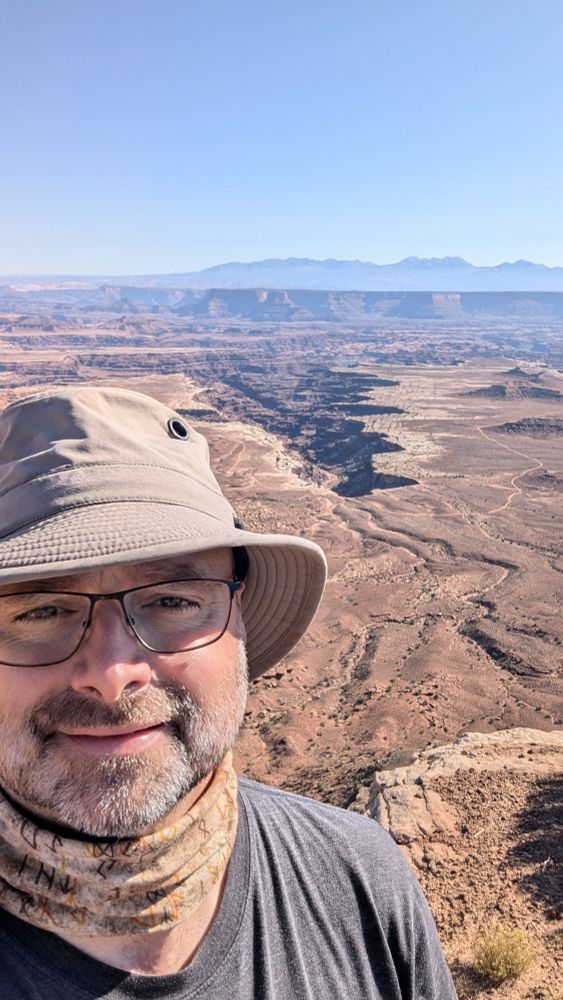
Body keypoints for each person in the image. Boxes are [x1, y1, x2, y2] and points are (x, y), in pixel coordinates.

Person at [0, 385, 457, 999]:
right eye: (38, 611)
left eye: (173, 600)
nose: (112, 673)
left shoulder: (357, 881)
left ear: (237, 620)